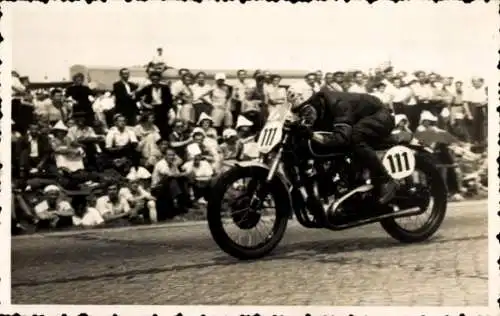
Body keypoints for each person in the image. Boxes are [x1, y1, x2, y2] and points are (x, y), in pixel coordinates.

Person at [288, 88, 397, 205]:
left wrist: (311, 134)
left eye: (306, 108)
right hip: (359, 119)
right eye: (300, 112)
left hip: (380, 115)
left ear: (314, 101)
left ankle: (386, 179)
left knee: (355, 136)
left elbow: (342, 138)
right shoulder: (319, 109)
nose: (305, 114)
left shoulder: (337, 104)